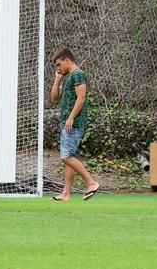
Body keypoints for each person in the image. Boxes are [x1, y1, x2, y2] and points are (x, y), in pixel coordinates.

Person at [50, 49, 100, 201]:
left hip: (74, 123)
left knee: (66, 156)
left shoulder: (78, 74)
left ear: (67, 60)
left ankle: (91, 183)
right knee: (68, 158)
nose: (58, 68)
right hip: (66, 123)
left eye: (59, 64)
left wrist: (71, 118)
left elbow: (82, 97)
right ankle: (66, 193)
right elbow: (54, 98)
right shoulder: (67, 77)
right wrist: (57, 79)